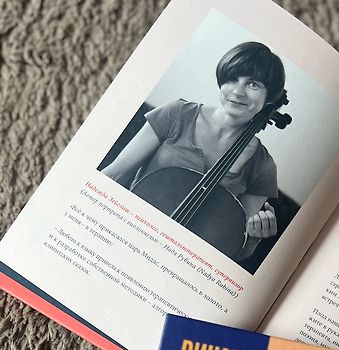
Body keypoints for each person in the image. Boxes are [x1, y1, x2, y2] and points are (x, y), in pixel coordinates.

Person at [101, 42, 286, 260]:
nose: (238, 91)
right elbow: (115, 174)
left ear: (269, 99)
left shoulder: (263, 166)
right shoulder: (176, 114)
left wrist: (253, 239)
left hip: (181, 262)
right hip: (126, 232)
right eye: (232, 79)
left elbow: (232, 251)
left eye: (253, 84)